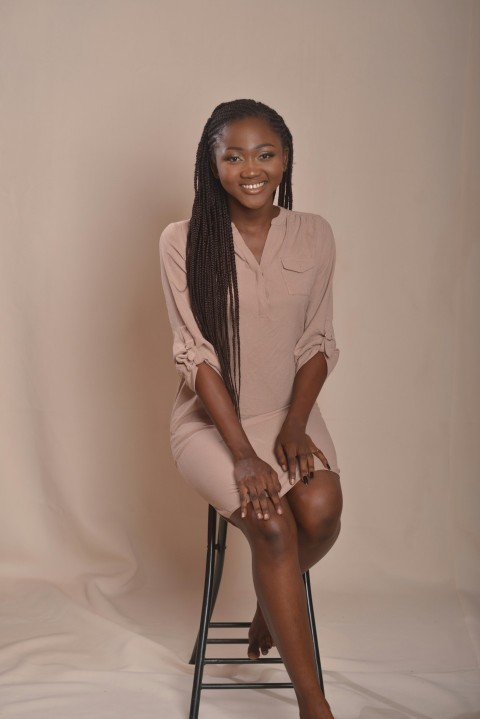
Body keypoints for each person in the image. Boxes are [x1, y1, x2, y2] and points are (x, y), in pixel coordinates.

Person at [159, 99, 342, 719]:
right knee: (271, 526)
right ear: (211, 167)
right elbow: (196, 356)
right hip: (214, 423)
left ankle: (271, 599)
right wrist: (241, 456)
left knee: (320, 515)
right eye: (232, 156)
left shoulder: (314, 233)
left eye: (265, 154)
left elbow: (318, 341)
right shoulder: (182, 241)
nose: (251, 169)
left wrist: (294, 423)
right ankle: (313, 704)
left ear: (286, 158)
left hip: (288, 409)